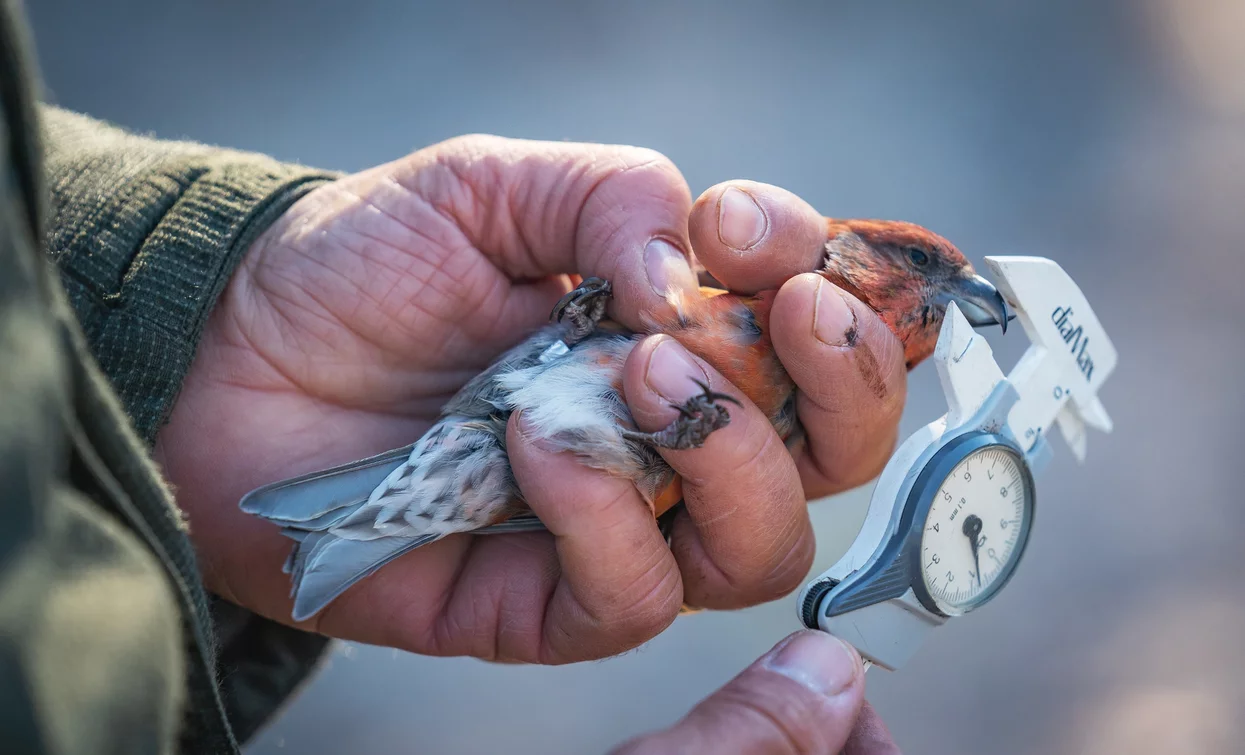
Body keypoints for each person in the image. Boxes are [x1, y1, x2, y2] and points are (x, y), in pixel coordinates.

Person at [0, 2, 903, 752]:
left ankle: (356, 517)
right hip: (509, 413)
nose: (930, 302)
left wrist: (189, 311)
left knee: (667, 453)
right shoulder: (753, 290)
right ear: (854, 250)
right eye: (916, 267)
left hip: (507, 450)